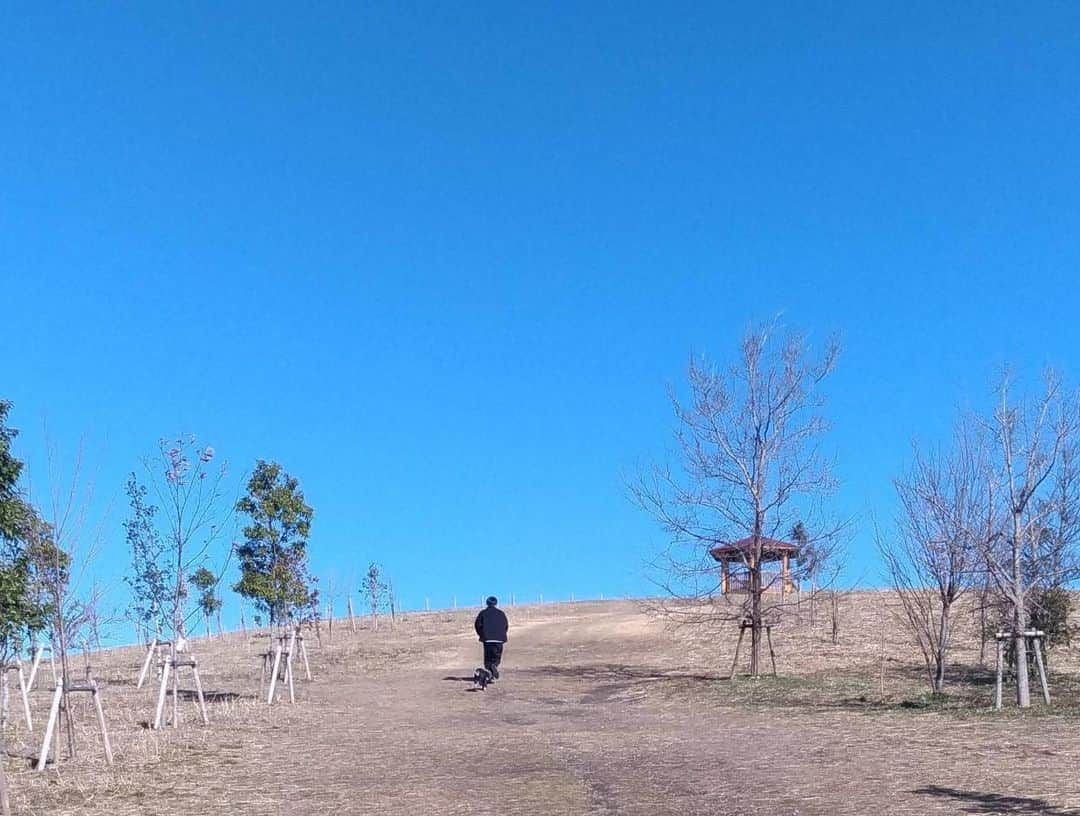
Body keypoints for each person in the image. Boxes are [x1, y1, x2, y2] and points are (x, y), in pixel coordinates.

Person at [474, 596, 509, 680]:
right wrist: (502, 635)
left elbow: (477, 625)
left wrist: (481, 635)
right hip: (499, 639)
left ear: (487, 603)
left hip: (487, 639)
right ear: (496, 603)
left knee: (488, 658)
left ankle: (490, 673)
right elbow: (506, 625)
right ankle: (494, 666)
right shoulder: (501, 613)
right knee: (497, 656)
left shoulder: (483, 613)